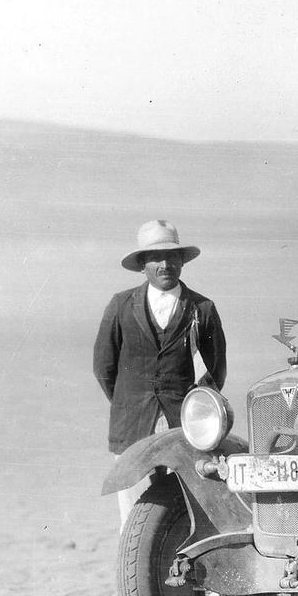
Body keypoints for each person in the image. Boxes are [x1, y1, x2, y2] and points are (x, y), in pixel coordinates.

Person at [94, 219, 227, 526]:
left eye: (172, 256)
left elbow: (215, 371)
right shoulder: (120, 305)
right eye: (155, 257)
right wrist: (129, 402)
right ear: (143, 264)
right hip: (132, 427)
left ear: (182, 261)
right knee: (134, 512)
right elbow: (103, 367)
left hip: (185, 426)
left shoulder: (202, 308)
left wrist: (195, 410)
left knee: (189, 504)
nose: (165, 264)